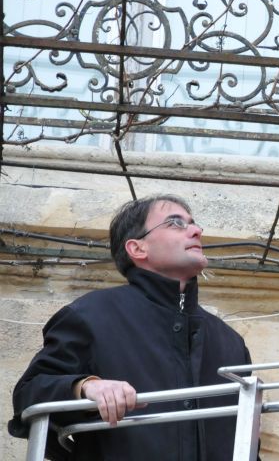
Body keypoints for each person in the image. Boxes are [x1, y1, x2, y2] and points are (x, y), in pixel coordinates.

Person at [8, 195, 253, 461]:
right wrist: (85, 387)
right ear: (137, 249)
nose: (196, 231)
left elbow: (249, 440)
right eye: (175, 223)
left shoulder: (230, 342)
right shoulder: (91, 316)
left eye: (194, 224)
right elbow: (29, 394)